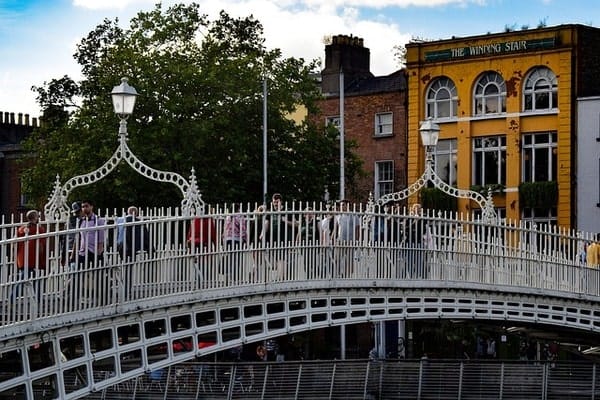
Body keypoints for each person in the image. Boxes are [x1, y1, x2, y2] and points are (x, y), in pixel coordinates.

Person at [12, 210, 47, 307]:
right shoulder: (39, 229)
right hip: (32, 258)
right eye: (37, 217)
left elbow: (15, 244)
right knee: (30, 279)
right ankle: (12, 299)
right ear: (35, 218)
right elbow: (41, 246)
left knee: (25, 279)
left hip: (22, 259)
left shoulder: (21, 229)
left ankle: (39, 300)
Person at [75, 200, 106, 306]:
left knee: (98, 275)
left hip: (94, 251)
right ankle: (77, 297)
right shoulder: (81, 221)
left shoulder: (99, 220)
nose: (84, 208)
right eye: (83, 207)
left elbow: (101, 238)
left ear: (92, 207)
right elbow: (79, 237)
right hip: (83, 252)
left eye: (86, 206)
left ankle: (101, 297)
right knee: (78, 275)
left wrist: (99, 251)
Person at [332, 200, 361, 277]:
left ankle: (347, 275)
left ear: (347, 205)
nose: (341, 207)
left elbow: (357, 228)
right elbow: (336, 228)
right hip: (340, 241)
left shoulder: (354, 216)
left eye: (343, 205)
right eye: (341, 205)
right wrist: (333, 238)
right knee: (336, 259)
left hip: (350, 241)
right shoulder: (339, 216)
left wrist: (356, 241)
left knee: (349, 260)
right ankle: (337, 274)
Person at [222, 204, 247, 283]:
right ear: (238, 208)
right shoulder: (239, 216)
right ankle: (235, 278)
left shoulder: (228, 217)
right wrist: (245, 239)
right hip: (236, 239)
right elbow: (243, 229)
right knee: (237, 259)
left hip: (228, 239)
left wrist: (223, 240)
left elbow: (224, 229)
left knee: (229, 258)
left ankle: (227, 276)